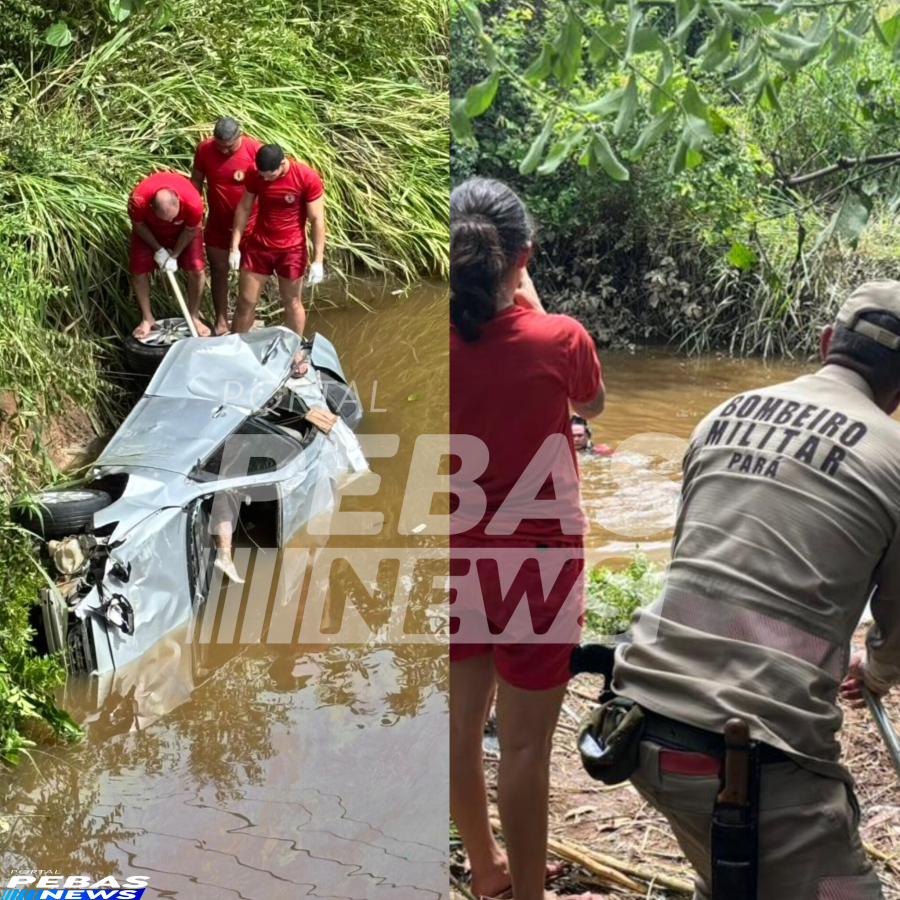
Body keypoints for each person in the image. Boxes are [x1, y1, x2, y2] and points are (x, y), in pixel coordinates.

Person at [609, 280, 900, 899]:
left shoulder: (723, 414)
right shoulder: (895, 458)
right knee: (841, 891)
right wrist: (874, 674)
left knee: (732, 875)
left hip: (636, 721)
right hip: (756, 758)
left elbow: (698, 560)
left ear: (826, 341)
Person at [449, 178, 606, 900]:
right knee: (523, 747)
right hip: (538, 562)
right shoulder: (560, 337)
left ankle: (488, 873)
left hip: (455, 552)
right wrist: (530, 303)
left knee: (459, 729)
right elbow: (592, 404)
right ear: (524, 257)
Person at [229, 143, 325, 348]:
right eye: (262, 175)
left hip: (291, 250)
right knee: (246, 301)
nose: (265, 180)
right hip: (259, 246)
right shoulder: (255, 173)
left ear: (282, 164)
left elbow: (317, 219)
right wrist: (234, 247)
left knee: (292, 302)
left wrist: (318, 261)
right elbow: (244, 207)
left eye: (270, 176)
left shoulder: (306, 177)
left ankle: (294, 349)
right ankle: (234, 347)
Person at [191, 116, 262, 335]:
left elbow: (267, 186)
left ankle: (245, 322)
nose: (223, 150)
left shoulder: (254, 150)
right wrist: (193, 214)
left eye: (229, 146)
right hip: (218, 225)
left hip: (251, 227)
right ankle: (221, 322)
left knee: (249, 275)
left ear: (240, 135)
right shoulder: (205, 149)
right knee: (219, 271)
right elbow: (196, 182)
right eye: (219, 146)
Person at [127, 171, 209, 339]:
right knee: (138, 271)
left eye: (172, 218)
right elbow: (139, 226)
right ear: (151, 207)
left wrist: (174, 256)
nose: (169, 222)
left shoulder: (193, 202)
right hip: (149, 230)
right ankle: (147, 318)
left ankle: (194, 316)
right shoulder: (138, 201)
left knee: (197, 269)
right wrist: (158, 249)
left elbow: (190, 230)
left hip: (184, 230)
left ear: (178, 202)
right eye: (165, 219)